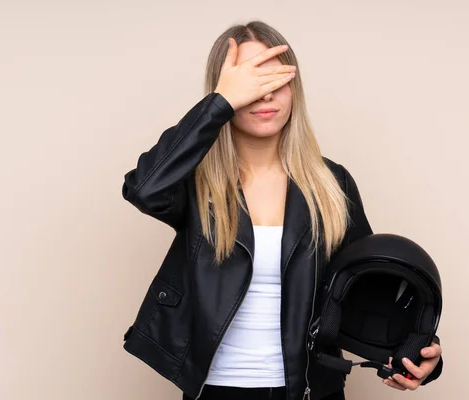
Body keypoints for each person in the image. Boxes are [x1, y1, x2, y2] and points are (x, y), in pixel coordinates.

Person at [121, 21, 443, 400]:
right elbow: (144, 188)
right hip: (217, 390)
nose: (265, 94)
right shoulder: (195, 184)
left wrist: (421, 355)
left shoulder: (331, 184)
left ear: (294, 90)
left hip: (310, 391)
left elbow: (365, 289)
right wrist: (219, 105)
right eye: (251, 81)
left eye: (276, 79)